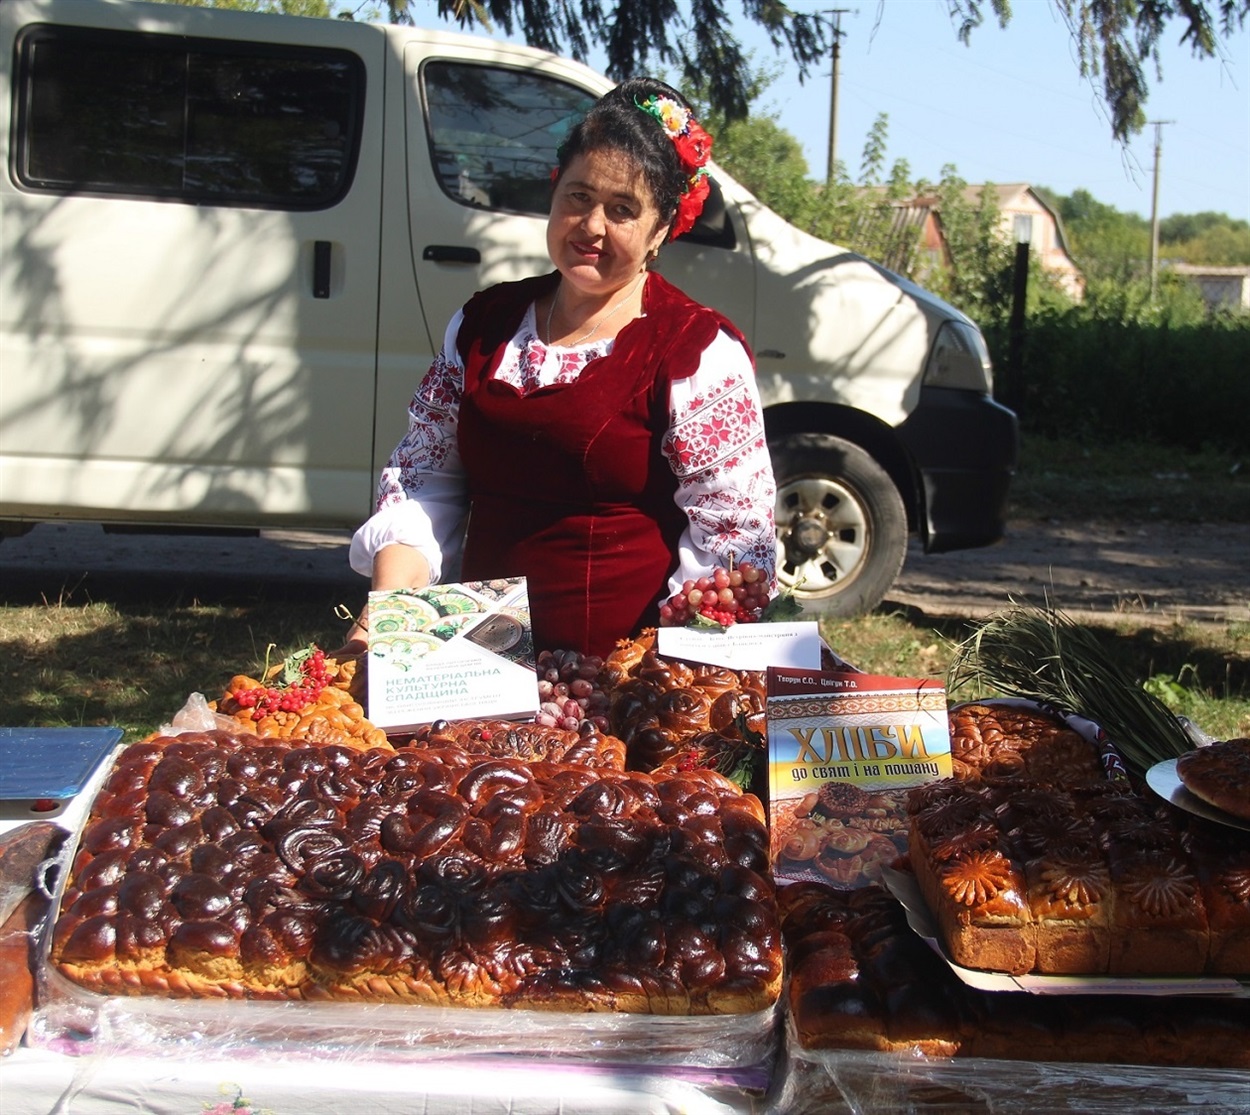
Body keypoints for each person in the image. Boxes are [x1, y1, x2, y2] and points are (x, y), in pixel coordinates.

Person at [340, 78, 777, 659]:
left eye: (623, 210)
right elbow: (423, 479)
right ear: (554, 193)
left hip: (616, 685)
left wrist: (657, 678)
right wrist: (387, 619)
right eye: (579, 197)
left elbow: (733, 541)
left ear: (662, 229)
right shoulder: (484, 325)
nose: (592, 226)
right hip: (476, 667)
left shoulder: (695, 351)